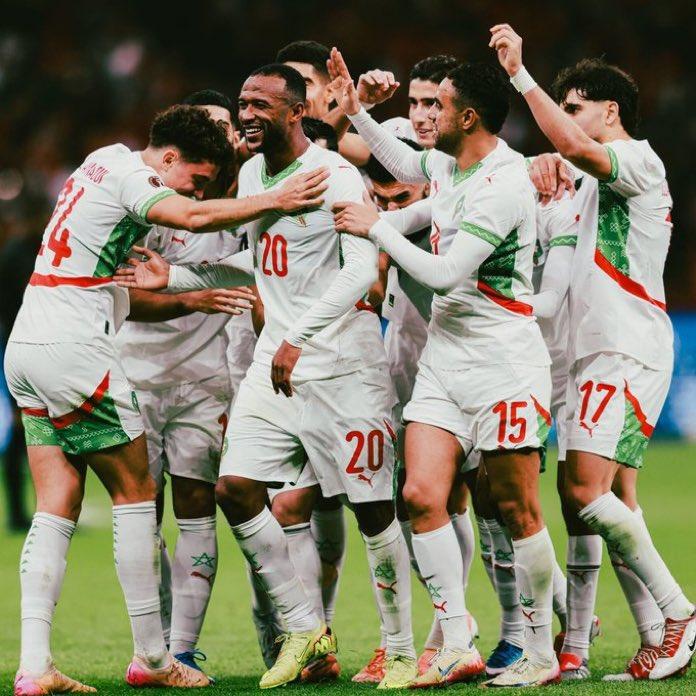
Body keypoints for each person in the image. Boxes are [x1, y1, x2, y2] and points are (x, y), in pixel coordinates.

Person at [5, 103, 327, 695]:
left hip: (27, 344)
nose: (197, 191)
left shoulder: (102, 160)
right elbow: (193, 216)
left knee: (55, 504)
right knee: (136, 494)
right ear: (170, 156)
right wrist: (276, 200)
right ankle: (154, 658)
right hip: (77, 347)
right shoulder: (137, 178)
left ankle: (34, 665)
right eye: (196, 177)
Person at [117, 63, 417, 690]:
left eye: (260, 104)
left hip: (343, 366)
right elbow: (256, 262)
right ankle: (305, 627)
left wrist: (299, 336)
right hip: (277, 365)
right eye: (243, 102)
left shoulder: (334, 174)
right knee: (234, 489)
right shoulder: (254, 175)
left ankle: (400, 649)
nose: (247, 114)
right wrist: (174, 278)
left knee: (372, 510)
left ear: (296, 111)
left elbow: (360, 269)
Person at [330, 48, 559, 687]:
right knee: (420, 496)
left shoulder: (506, 184)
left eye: (439, 106)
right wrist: (355, 112)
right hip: (444, 358)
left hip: (503, 362)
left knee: (515, 508)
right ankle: (457, 640)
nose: (425, 116)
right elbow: (405, 164)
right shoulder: (451, 164)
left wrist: (378, 228)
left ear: (470, 117)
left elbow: (443, 272)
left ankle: (541, 648)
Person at [489, 23, 696, 681]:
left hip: (626, 347)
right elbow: (557, 162)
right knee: (608, 500)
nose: (566, 119)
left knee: (585, 490)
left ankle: (680, 614)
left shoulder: (639, 160)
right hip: (587, 354)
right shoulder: (579, 182)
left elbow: (574, 145)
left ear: (610, 111)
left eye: (574, 106)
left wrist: (519, 76)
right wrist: (533, 165)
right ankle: (653, 635)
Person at [116, 90, 253, 680]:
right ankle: (154, 645)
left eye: (227, 129)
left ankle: (185, 646)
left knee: (198, 506)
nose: (222, 136)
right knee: (140, 515)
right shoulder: (146, 203)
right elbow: (124, 297)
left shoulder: (246, 205)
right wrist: (190, 298)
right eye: (210, 128)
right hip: (136, 376)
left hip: (203, 380)